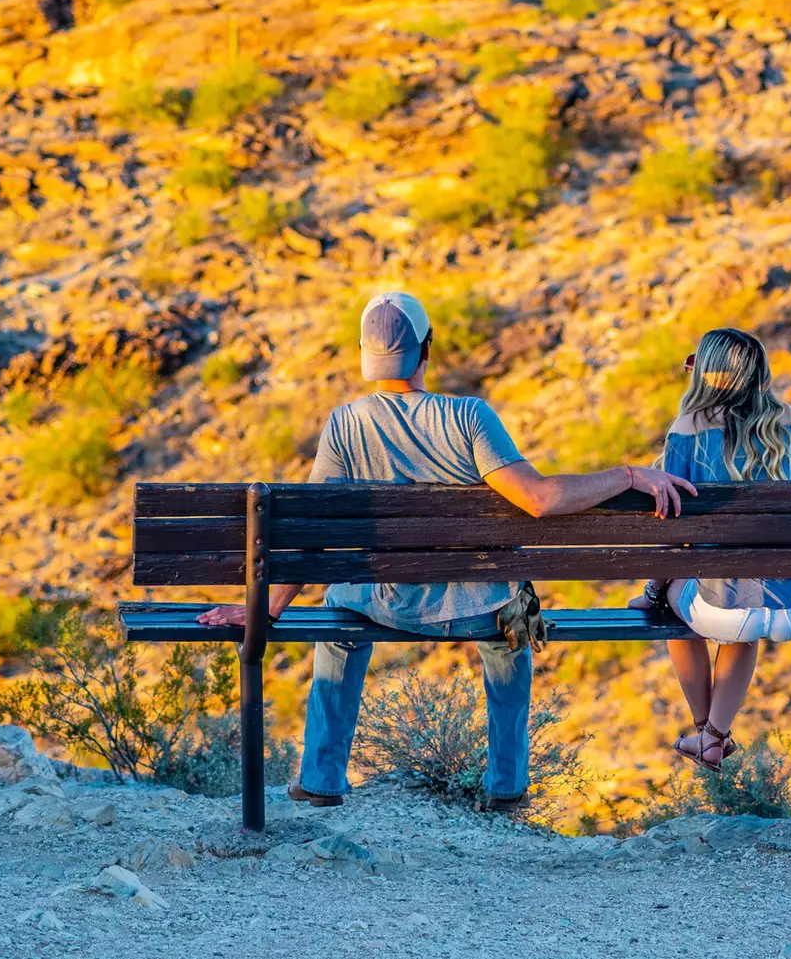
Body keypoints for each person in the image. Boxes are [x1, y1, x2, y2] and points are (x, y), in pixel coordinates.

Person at [198, 291, 695, 809]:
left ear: (365, 353)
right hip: (480, 607)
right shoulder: (469, 418)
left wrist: (267, 607)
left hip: (379, 604)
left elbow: (313, 530)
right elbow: (540, 499)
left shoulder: (345, 423)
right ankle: (506, 788)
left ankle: (321, 781)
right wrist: (630, 474)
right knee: (515, 623)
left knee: (336, 621)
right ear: (426, 349)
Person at [631, 327, 791, 770]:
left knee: (678, 602)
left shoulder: (689, 428)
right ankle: (712, 737)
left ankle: (707, 733)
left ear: (706, 376)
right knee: (745, 599)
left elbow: (671, 532)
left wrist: (653, 588)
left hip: (731, 604)